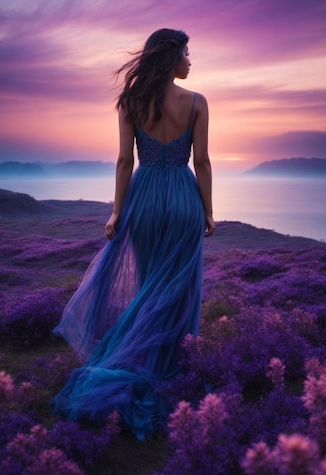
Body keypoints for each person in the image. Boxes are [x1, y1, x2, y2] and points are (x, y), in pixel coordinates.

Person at [51, 28, 214, 441]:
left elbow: (125, 161)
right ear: (172, 57)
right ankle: (169, 363)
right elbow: (203, 162)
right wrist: (208, 210)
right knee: (176, 290)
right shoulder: (197, 103)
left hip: (142, 201)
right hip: (182, 200)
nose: (191, 62)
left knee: (148, 286)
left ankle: (138, 361)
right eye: (187, 54)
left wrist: (117, 211)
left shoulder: (131, 102)